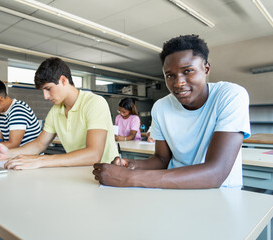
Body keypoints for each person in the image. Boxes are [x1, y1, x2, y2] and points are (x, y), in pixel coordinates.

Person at [93, 34, 250, 189]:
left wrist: (130, 178)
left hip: (221, 194)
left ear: (206, 68)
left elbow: (215, 173)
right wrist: (132, 165)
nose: (179, 83)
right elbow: (161, 160)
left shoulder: (230, 95)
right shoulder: (161, 107)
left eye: (187, 71)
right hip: (174, 189)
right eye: (170, 75)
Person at [0, 57, 118, 170]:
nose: (45, 96)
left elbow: (94, 154)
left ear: (63, 80)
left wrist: (40, 161)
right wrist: (9, 153)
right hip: (77, 172)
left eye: (48, 89)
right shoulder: (56, 111)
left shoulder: (94, 103)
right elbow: (39, 144)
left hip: (107, 176)